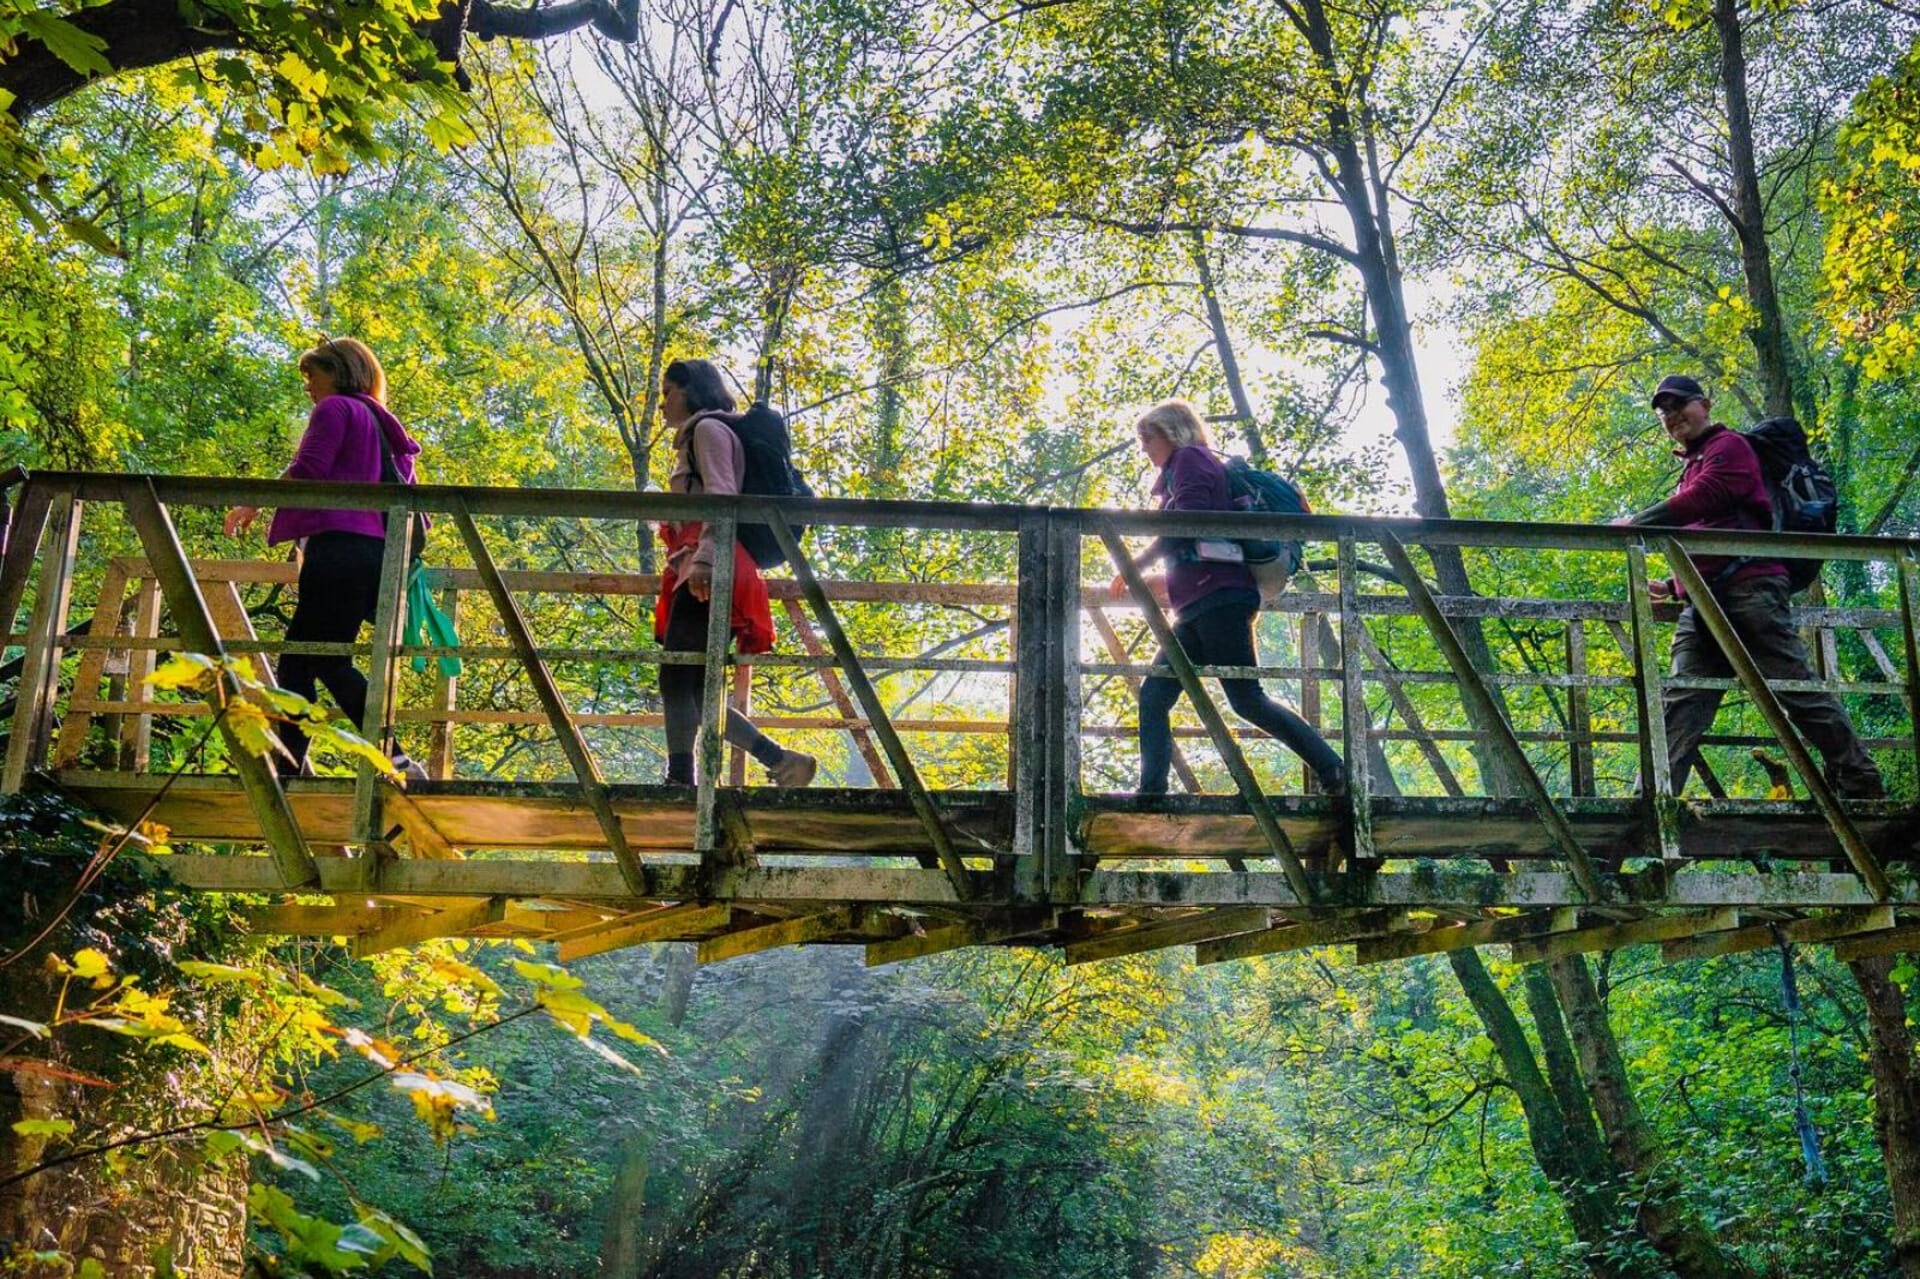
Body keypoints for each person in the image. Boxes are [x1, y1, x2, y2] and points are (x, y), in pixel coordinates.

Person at [1616, 374, 1882, 798]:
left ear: (1705, 404)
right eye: (1664, 411)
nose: (1671, 415)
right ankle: (1651, 799)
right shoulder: (1694, 463)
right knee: (1682, 701)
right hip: (1704, 602)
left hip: (1750, 592)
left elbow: (1709, 497)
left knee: (1795, 691)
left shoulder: (1730, 447)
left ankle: (1860, 781)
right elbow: (1712, 530)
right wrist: (1673, 584)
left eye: (1679, 404)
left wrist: (1637, 522)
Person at [1110, 399, 1346, 796]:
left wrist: (1134, 565)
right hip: (1199, 606)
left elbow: (1186, 526)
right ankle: (1151, 791)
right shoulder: (1181, 472)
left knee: (1247, 700)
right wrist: (1152, 579)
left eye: (1148, 438)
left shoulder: (1190, 460)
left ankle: (1332, 768)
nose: (1144, 448)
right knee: (1155, 695)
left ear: (1172, 432)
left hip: (1220, 602)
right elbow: (1198, 546)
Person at [224, 338, 426, 777]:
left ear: (338, 372)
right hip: (374, 552)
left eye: (312, 376)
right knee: (300, 660)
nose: (308, 387)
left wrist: (253, 501)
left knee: (324, 658)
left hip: (338, 548)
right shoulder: (378, 419)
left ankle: (394, 757)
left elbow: (309, 469)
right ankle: (290, 763)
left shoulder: (335, 409)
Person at [654, 358, 815, 788]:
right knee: (694, 685)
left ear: (691, 390)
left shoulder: (708, 430)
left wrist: (706, 559)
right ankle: (783, 760)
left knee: (677, 676)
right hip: (710, 565)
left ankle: (681, 779)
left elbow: (722, 496)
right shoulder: (706, 432)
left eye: (668, 392)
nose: (662, 403)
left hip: (710, 569)